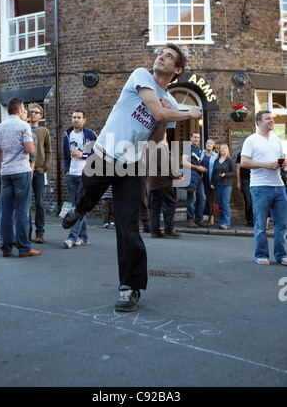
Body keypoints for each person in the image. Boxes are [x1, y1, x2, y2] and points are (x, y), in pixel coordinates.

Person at [62, 43, 201, 312]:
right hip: (104, 154)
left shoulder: (169, 102)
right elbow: (158, 111)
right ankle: (78, 209)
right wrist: (188, 112)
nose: (161, 56)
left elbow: (157, 137)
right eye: (160, 53)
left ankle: (129, 288)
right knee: (87, 195)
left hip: (132, 165)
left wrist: (168, 152)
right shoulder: (141, 75)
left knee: (128, 227)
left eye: (168, 56)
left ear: (178, 69)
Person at [0, 97, 41, 258]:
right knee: (22, 210)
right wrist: (32, 147)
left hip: (6, 172)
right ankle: (24, 248)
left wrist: (4, 164)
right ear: (19, 110)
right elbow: (30, 150)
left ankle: (5, 248)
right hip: (21, 171)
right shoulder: (23, 126)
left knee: (6, 211)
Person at [241, 110, 287, 265]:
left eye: (272, 118)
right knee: (261, 224)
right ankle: (261, 254)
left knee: (281, 224)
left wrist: (283, 164)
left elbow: (282, 159)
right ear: (259, 122)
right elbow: (244, 163)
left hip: (279, 186)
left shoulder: (276, 140)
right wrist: (265, 165)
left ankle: (281, 255)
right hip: (260, 187)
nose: (271, 121)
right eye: (268, 119)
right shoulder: (251, 140)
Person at [63, 110, 97, 248]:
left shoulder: (89, 135)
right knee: (75, 207)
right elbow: (65, 155)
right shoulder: (68, 135)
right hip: (71, 175)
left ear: (84, 120)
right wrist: (66, 171)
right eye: (74, 117)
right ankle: (84, 237)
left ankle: (72, 238)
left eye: (78, 117)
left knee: (79, 207)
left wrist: (82, 154)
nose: (76, 120)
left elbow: (94, 154)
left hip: (85, 174)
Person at [147, 132, 182, 238]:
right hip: (163, 182)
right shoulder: (161, 148)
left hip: (153, 183)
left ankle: (155, 231)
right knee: (171, 203)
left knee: (155, 207)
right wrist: (177, 176)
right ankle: (169, 229)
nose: (166, 137)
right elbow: (166, 168)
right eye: (165, 135)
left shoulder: (149, 148)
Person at [29, 102, 52, 244]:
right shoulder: (24, 129)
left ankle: (39, 233)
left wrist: (45, 168)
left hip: (38, 171)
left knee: (39, 203)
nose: (33, 114)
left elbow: (49, 152)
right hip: (25, 171)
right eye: (31, 112)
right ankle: (26, 233)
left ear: (41, 115)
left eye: (36, 112)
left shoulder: (44, 131)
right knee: (25, 205)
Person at [182, 131, 207, 228]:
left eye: (198, 137)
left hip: (198, 176)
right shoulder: (188, 147)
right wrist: (197, 167)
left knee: (202, 198)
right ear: (191, 138)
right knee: (191, 199)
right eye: (195, 137)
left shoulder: (197, 149)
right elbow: (184, 162)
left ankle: (198, 219)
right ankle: (190, 219)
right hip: (190, 176)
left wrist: (201, 168)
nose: (196, 139)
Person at [211, 144, 235, 230]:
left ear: (227, 150)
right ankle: (222, 222)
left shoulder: (230, 160)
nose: (222, 149)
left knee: (225, 204)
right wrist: (212, 183)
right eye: (221, 148)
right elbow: (214, 173)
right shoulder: (217, 160)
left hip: (226, 184)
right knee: (220, 204)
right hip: (218, 184)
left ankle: (226, 223)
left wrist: (226, 174)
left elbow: (233, 173)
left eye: (224, 148)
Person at [199, 139, 218, 226]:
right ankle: (201, 217)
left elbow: (216, 170)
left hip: (210, 179)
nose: (209, 145)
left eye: (211, 144)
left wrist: (213, 182)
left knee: (210, 199)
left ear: (213, 146)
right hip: (201, 178)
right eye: (207, 143)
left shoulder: (215, 155)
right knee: (200, 198)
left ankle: (211, 217)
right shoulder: (201, 153)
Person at [236, 151, 253, 227]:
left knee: (255, 201)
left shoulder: (256, 153)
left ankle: (256, 219)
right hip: (245, 180)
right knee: (248, 201)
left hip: (256, 180)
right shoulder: (241, 154)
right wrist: (238, 182)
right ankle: (249, 220)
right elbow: (238, 169)